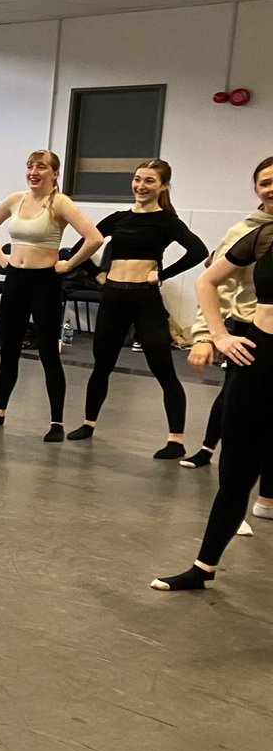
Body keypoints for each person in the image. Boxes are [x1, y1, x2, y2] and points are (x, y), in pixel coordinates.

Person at [150, 186, 273, 592]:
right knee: (236, 469)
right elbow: (207, 281)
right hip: (260, 357)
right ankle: (203, 568)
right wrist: (216, 335)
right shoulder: (263, 235)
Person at [66, 159, 207, 457]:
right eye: (137, 179)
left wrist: (161, 274)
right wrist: (97, 275)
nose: (141, 186)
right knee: (101, 366)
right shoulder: (118, 218)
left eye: (150, 181)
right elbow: (82, 246)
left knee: (163, 368)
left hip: (145, 299)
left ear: (163, 186)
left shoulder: (167, 221)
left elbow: (198, 251)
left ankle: (176, 440)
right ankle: (89, 423)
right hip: (114, 297)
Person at [0, 150, 104, 441]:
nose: (33, 172)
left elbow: (94, 238)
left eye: (41, 167)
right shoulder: (15, 199)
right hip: (15, 280)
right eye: (30, 166)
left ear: (54, 174)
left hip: (45, 282)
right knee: (8, 349)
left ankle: (56, 422)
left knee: (47, 353)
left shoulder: (60, 203)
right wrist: (0, 256)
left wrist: (68, 264)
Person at [180, 164, 273, 474]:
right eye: (266, 183)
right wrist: (207, 336)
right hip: (252, 331)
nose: (271, 188)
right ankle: (210, 453)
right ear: (256, 189)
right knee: (236, 401)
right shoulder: (246, 231)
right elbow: (212, 283)